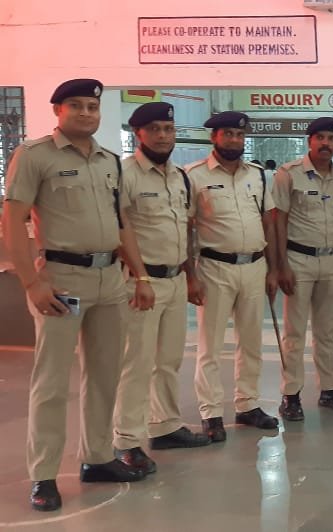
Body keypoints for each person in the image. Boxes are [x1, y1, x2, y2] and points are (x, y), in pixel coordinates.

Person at [3, 79, 154, 511]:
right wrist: (32, 283)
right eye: (77, 105)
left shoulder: (109, 161)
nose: (87, 113)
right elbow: (12, 219)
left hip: (109, 279)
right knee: (51, 382)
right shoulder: (34, 156)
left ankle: (98, 457)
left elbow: (121, 221)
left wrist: (141, 274)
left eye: (93, 106)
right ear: (58, 110)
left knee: (105, 375)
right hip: (62, 280)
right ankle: (44, 475)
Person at [112, 102, 211, 479]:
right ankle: (127, 440)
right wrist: (140, 278)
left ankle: (165, 426)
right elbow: (120, 229)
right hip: (142, 283)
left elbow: (184, 228)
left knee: (169, 359)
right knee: (136, 363)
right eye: (154, 129)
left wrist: (190, 275)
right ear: (138, 133)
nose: (163, 135)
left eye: (168, 129)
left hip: (174, 279)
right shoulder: (125, 174)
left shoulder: (179, 176)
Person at [187, 110, 281, 441]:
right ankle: (211, 412)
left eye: (240, 135)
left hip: (255, 266)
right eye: (228, 134)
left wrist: (273, 269)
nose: (235, 140)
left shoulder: (258, 175)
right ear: (213, 137)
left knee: (251, 342)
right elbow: (186, 227)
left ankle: (248, 405)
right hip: (215, 267)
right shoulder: (194, 176)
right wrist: (190, 276)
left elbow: (268, 222)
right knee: (210, 345)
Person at [272, 117, 333, 421]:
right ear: (309, 141)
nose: (325, 144)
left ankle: (329, 389)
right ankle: (291, 394)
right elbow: (278, 221)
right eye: (320, 138)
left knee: (327, 332)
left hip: (332, 261)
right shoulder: (288, 174)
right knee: (294, 333)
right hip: (298, 260)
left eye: (331, 139)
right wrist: (280, 265)